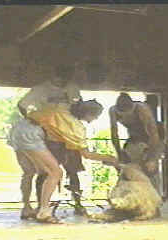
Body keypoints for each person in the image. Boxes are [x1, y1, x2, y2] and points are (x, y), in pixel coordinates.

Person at [8, 99, 118, 223]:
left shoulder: (63, 106)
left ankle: (27, 207)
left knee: (31, 172)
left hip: (19, 128)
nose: (95, 119)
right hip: (32, 134)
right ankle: (44, 211)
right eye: (95, 116)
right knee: (55, 173)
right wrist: (111, 158)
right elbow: (87, 154)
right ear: (88, 114)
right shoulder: (75, 126)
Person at [18, 65, 87, 216]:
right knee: (46, 172)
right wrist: (34, 119)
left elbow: (77, 106)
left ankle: (78, 203)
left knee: (73, 170)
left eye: (65, 78)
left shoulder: (73, 88)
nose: (62, 81)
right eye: (59, 77)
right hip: (51, 136)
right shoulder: (40, 89)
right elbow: (22, 105)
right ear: (53, 75)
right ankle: (42, 205)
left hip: (69, 134)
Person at [109, 92, 165, 189]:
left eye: (128, 115)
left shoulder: (141, 109)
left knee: (149, 168)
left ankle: (154, 193)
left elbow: (154, 134)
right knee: (128, 167)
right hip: (134, 138)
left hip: (154, 137)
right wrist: (119, 153)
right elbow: (114, 134)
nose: (126, 117)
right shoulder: (113, 111)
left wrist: (152, 157)